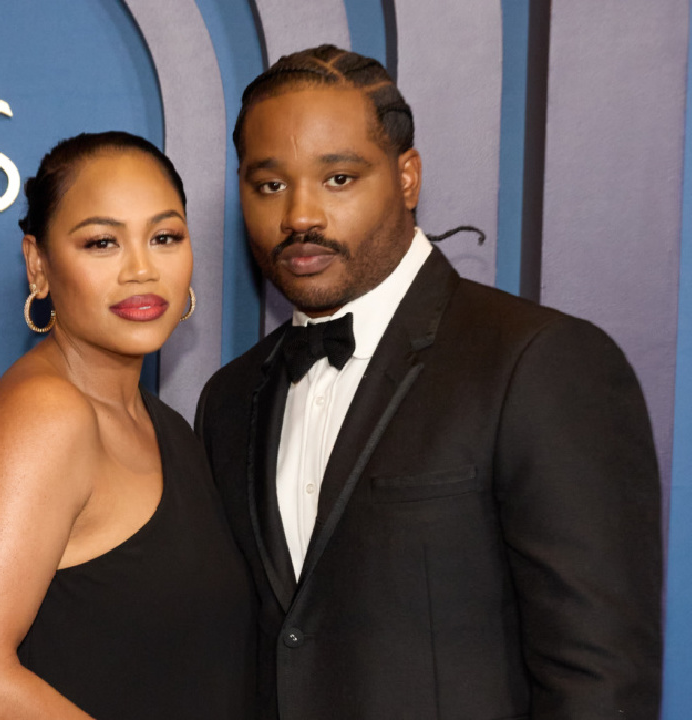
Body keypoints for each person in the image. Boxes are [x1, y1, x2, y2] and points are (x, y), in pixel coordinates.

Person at [196, 45, 664, 719]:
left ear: (407, 177)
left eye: (338, 179)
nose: (299, 216)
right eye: (270, 185)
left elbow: (602, 682)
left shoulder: (539, 362)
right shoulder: (229, 400)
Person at [0, 132, 255, 720]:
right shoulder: (47, 416)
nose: (141, 269)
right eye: (102, 242)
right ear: (38, 262)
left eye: (164, 237)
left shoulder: (165, 424)